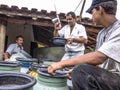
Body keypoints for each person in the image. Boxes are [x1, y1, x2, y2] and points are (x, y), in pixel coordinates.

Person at [48, 0, 120, 90]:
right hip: (105, 74)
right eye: (67, 19)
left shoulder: (118, 29)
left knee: (80, 71)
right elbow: (98, 63)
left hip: (116, 76)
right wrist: (56, 29)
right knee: (77, 70)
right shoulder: (102, 33)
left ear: (100, 9)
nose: (92, 15)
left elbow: (99, 57)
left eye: (92, 12)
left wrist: (61, 64)